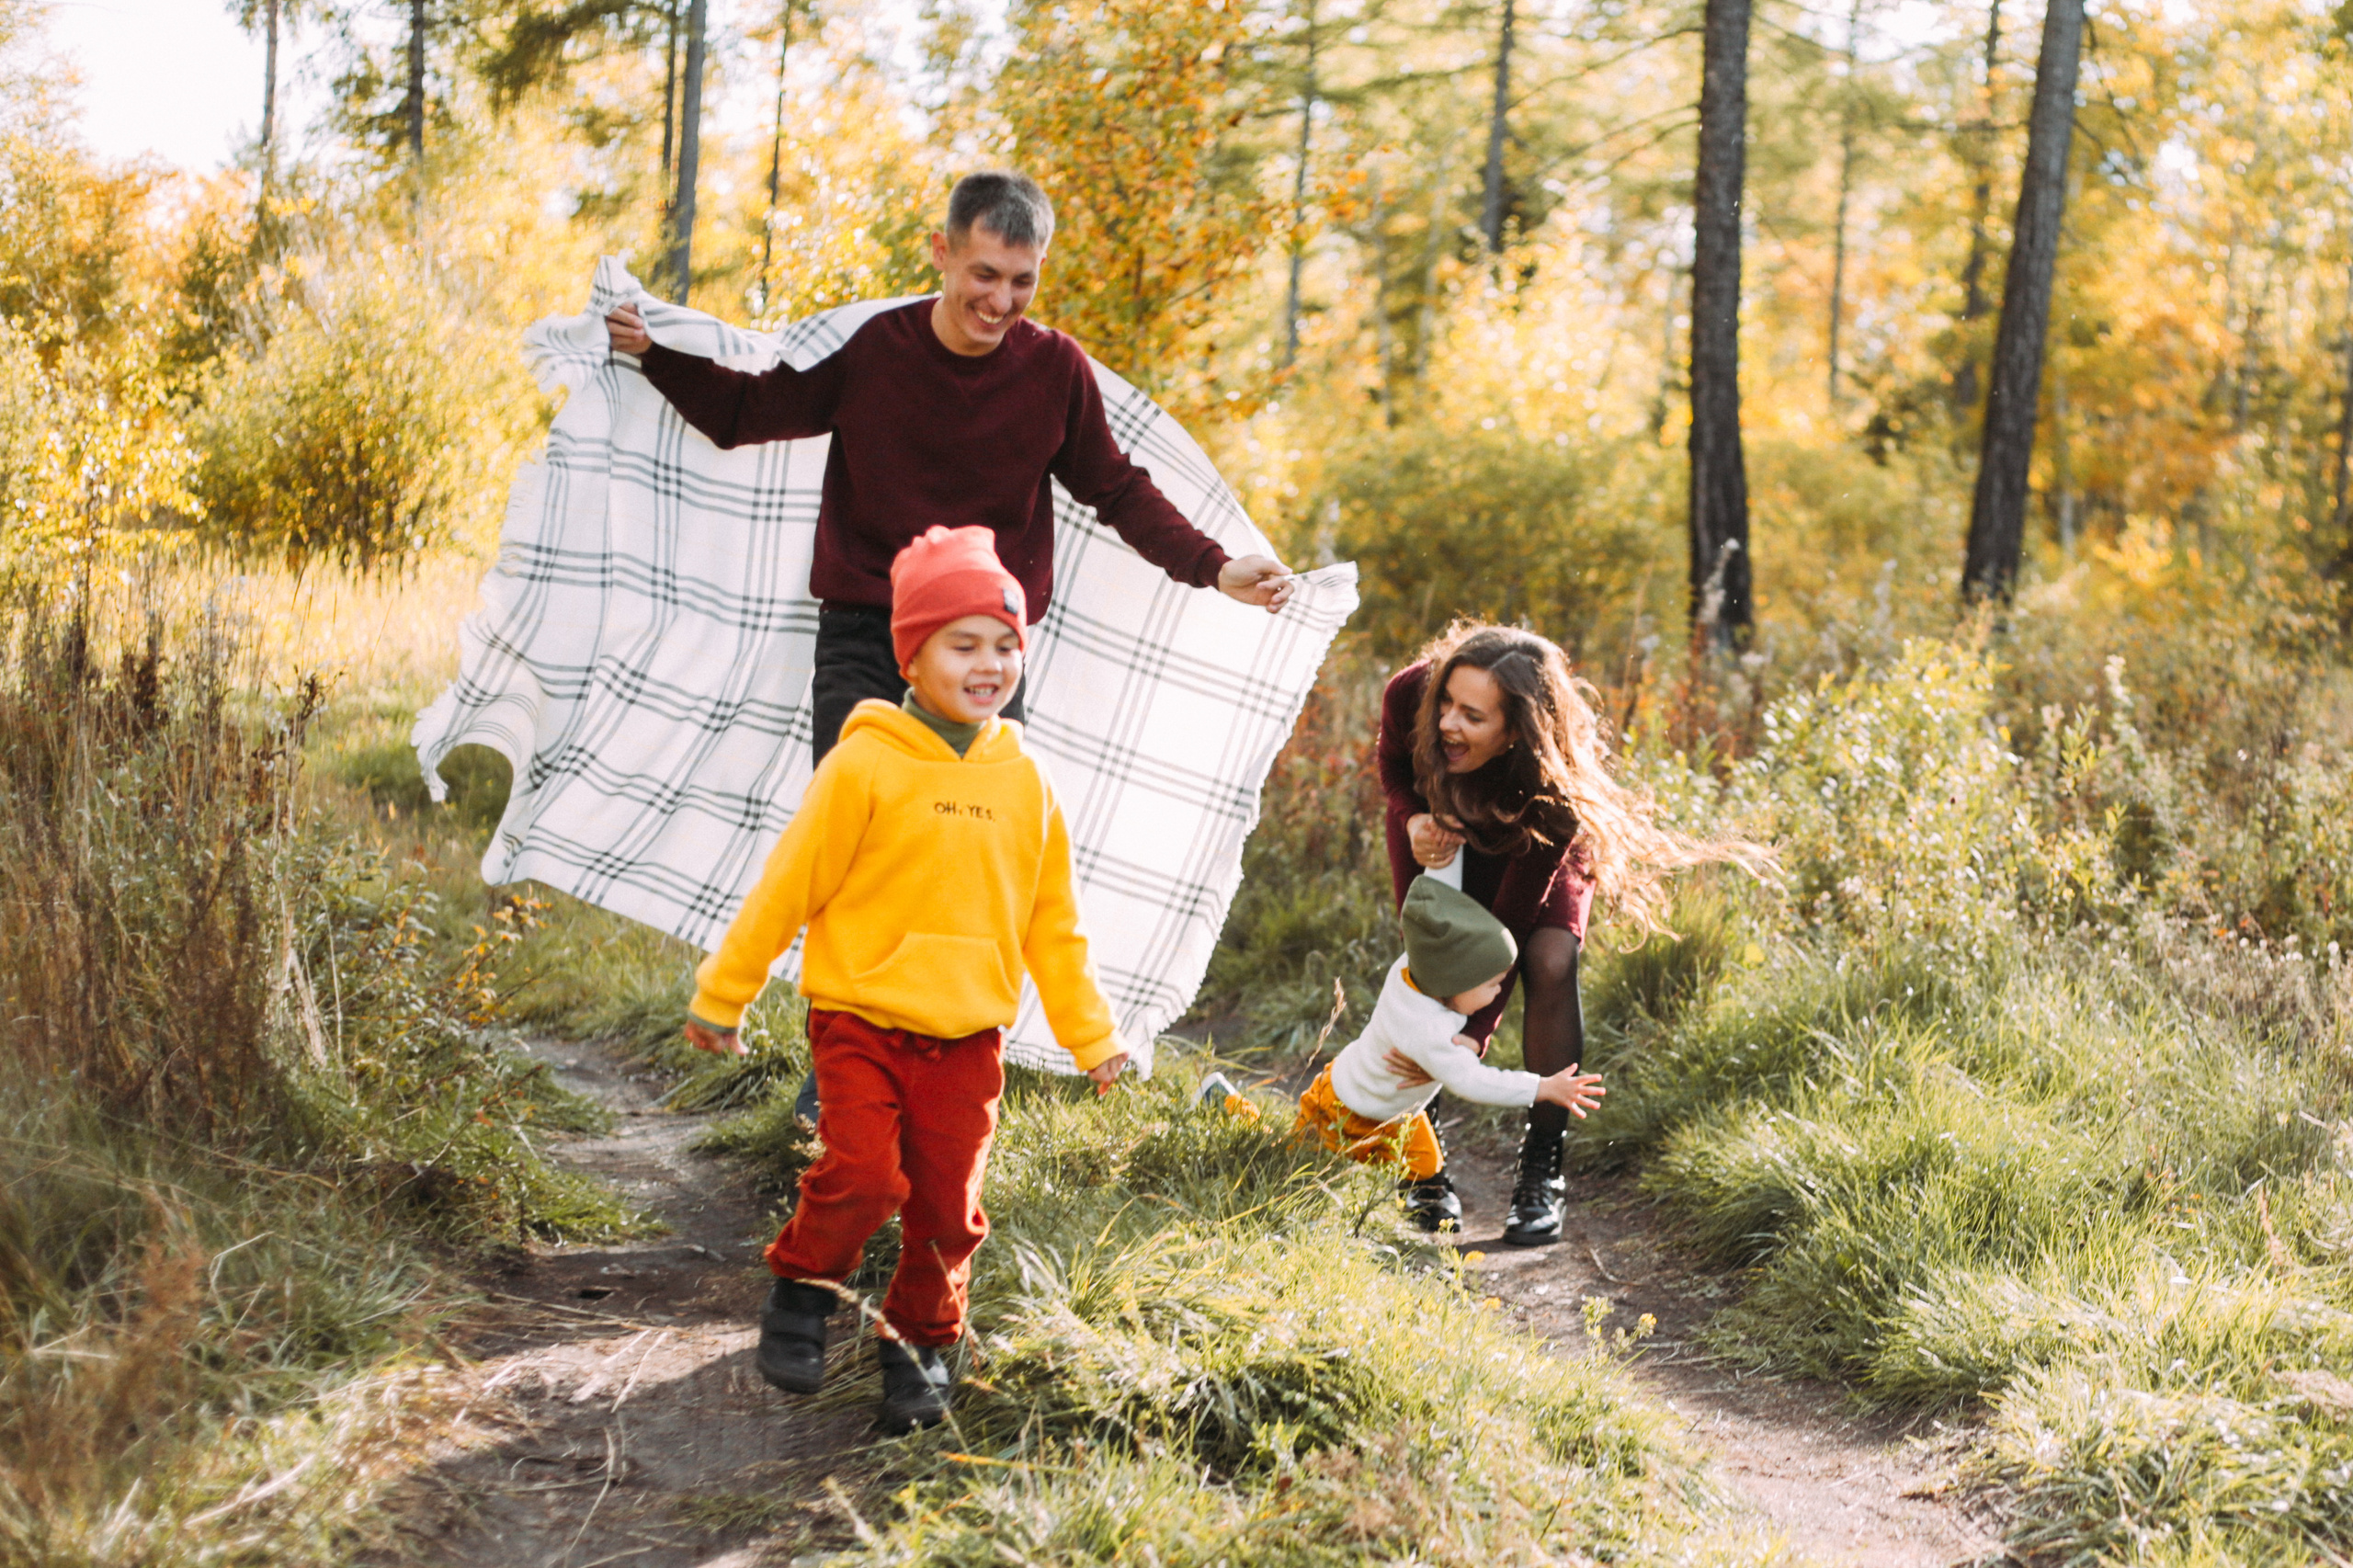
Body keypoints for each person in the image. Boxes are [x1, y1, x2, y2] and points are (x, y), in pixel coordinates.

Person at [604, 168, 1296, 765]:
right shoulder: (876, 350)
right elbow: (745, 415)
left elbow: (1115, 488)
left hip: (987, 642)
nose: (1000, 302)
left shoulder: (1055, 368)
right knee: (856, 838)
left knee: (975, 844)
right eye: (985, 275)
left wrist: (1214, 565)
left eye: (1022, 281)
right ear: (943, 252)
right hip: (867, 632)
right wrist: (656, 353)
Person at [680, 526, 1129, 1433]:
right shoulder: (865, 763)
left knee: (946, 1212)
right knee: (860, 1173)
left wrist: (1094, 1035)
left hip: (968, 1036)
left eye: (1006, 644)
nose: (990, 662)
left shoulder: (1028, 777)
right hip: (860, 1020)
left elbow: (1054, 923)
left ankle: (919, 1338)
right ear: (911, 655)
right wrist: (725, 991)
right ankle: (802, 1284)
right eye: (963, 643)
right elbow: (788, 886)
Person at [1376, 621, 1768, 1247]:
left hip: (1532, 836)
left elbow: (1505, 933)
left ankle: (1542, 1169)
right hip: (1437, 829)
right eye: (1446, 704)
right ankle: (1421, 1167)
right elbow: (1395, 766)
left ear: (1517, 729)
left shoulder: (1554, 782)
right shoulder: (1410, 694)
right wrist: (1414, 814)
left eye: (1472, 717)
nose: (1448, 723)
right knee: (1434, 967)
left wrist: (1468, 1036)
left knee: (1551, 957)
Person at [1293, 876, 1607, 1232]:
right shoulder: (1429, 1031)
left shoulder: (1411, 970)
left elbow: (1433, 941)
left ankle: (1421, 1199)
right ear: (1454, 983)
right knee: (1298, 1162)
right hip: (1342, 1108)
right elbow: (1476, 1082)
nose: (1501, 991)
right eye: (1493, 984)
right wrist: (1543, 1087)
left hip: (1398, 1118)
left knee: (1426, 1166)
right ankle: (1227, 1103)